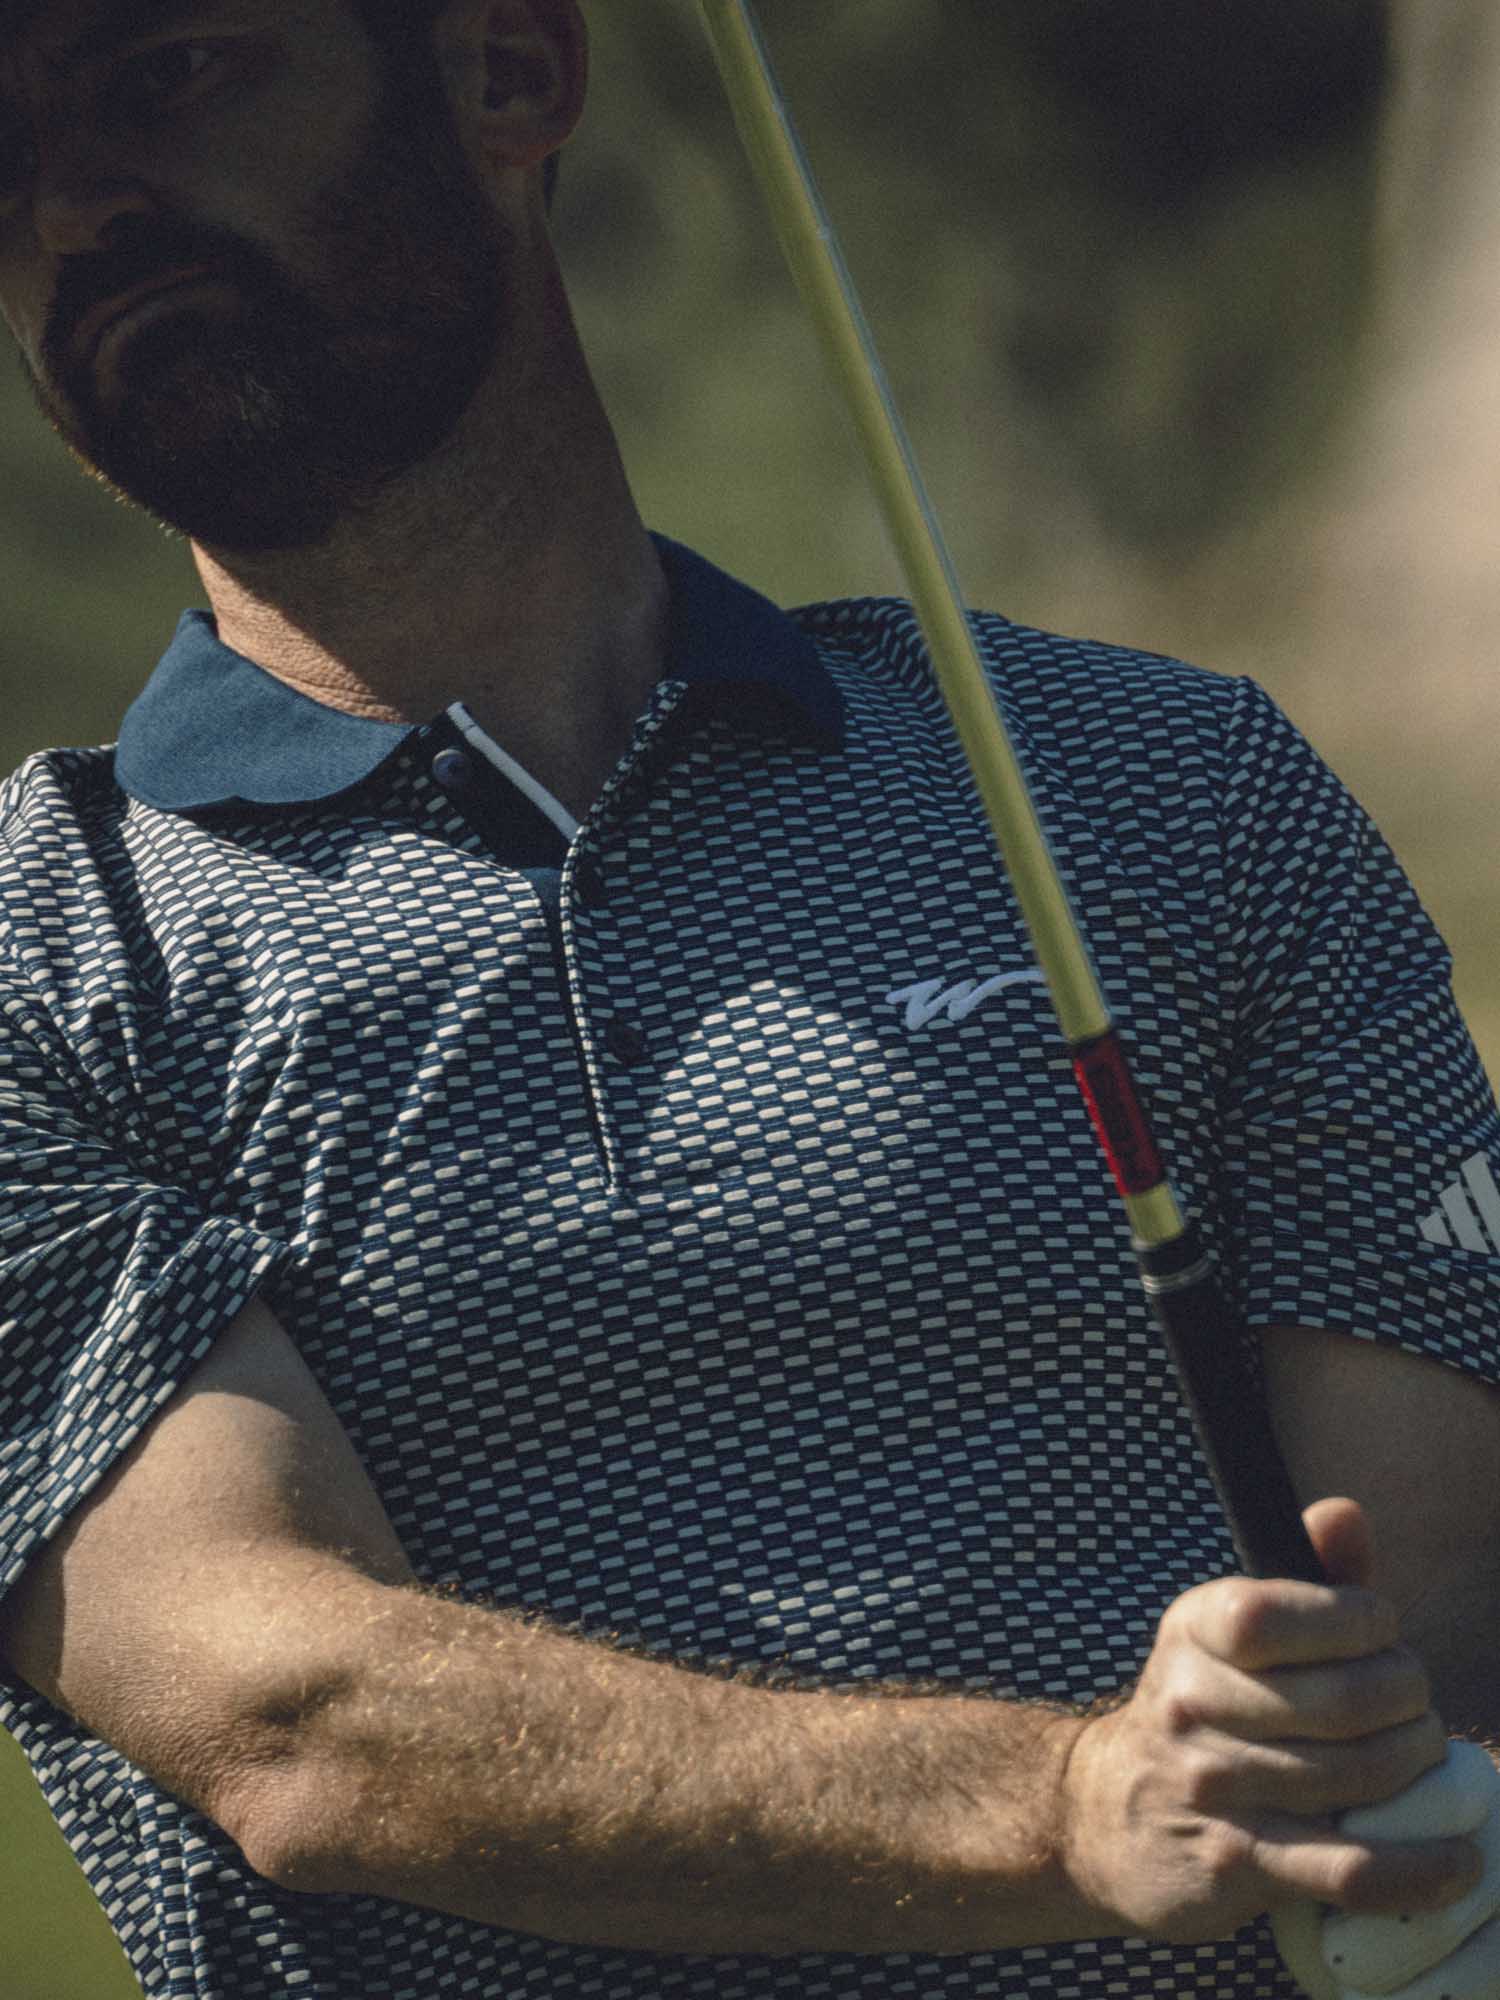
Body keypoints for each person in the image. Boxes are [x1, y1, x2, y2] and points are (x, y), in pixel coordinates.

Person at [0, 3, 1496, 1998]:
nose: (74, 201)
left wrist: (1350, 1745)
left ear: (511, 76)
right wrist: (1059, 1809)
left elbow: (1435, 1602)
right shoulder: (37, 950)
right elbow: (289, 1711)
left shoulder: (1168, 788)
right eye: (1, 150)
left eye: (162, 75)